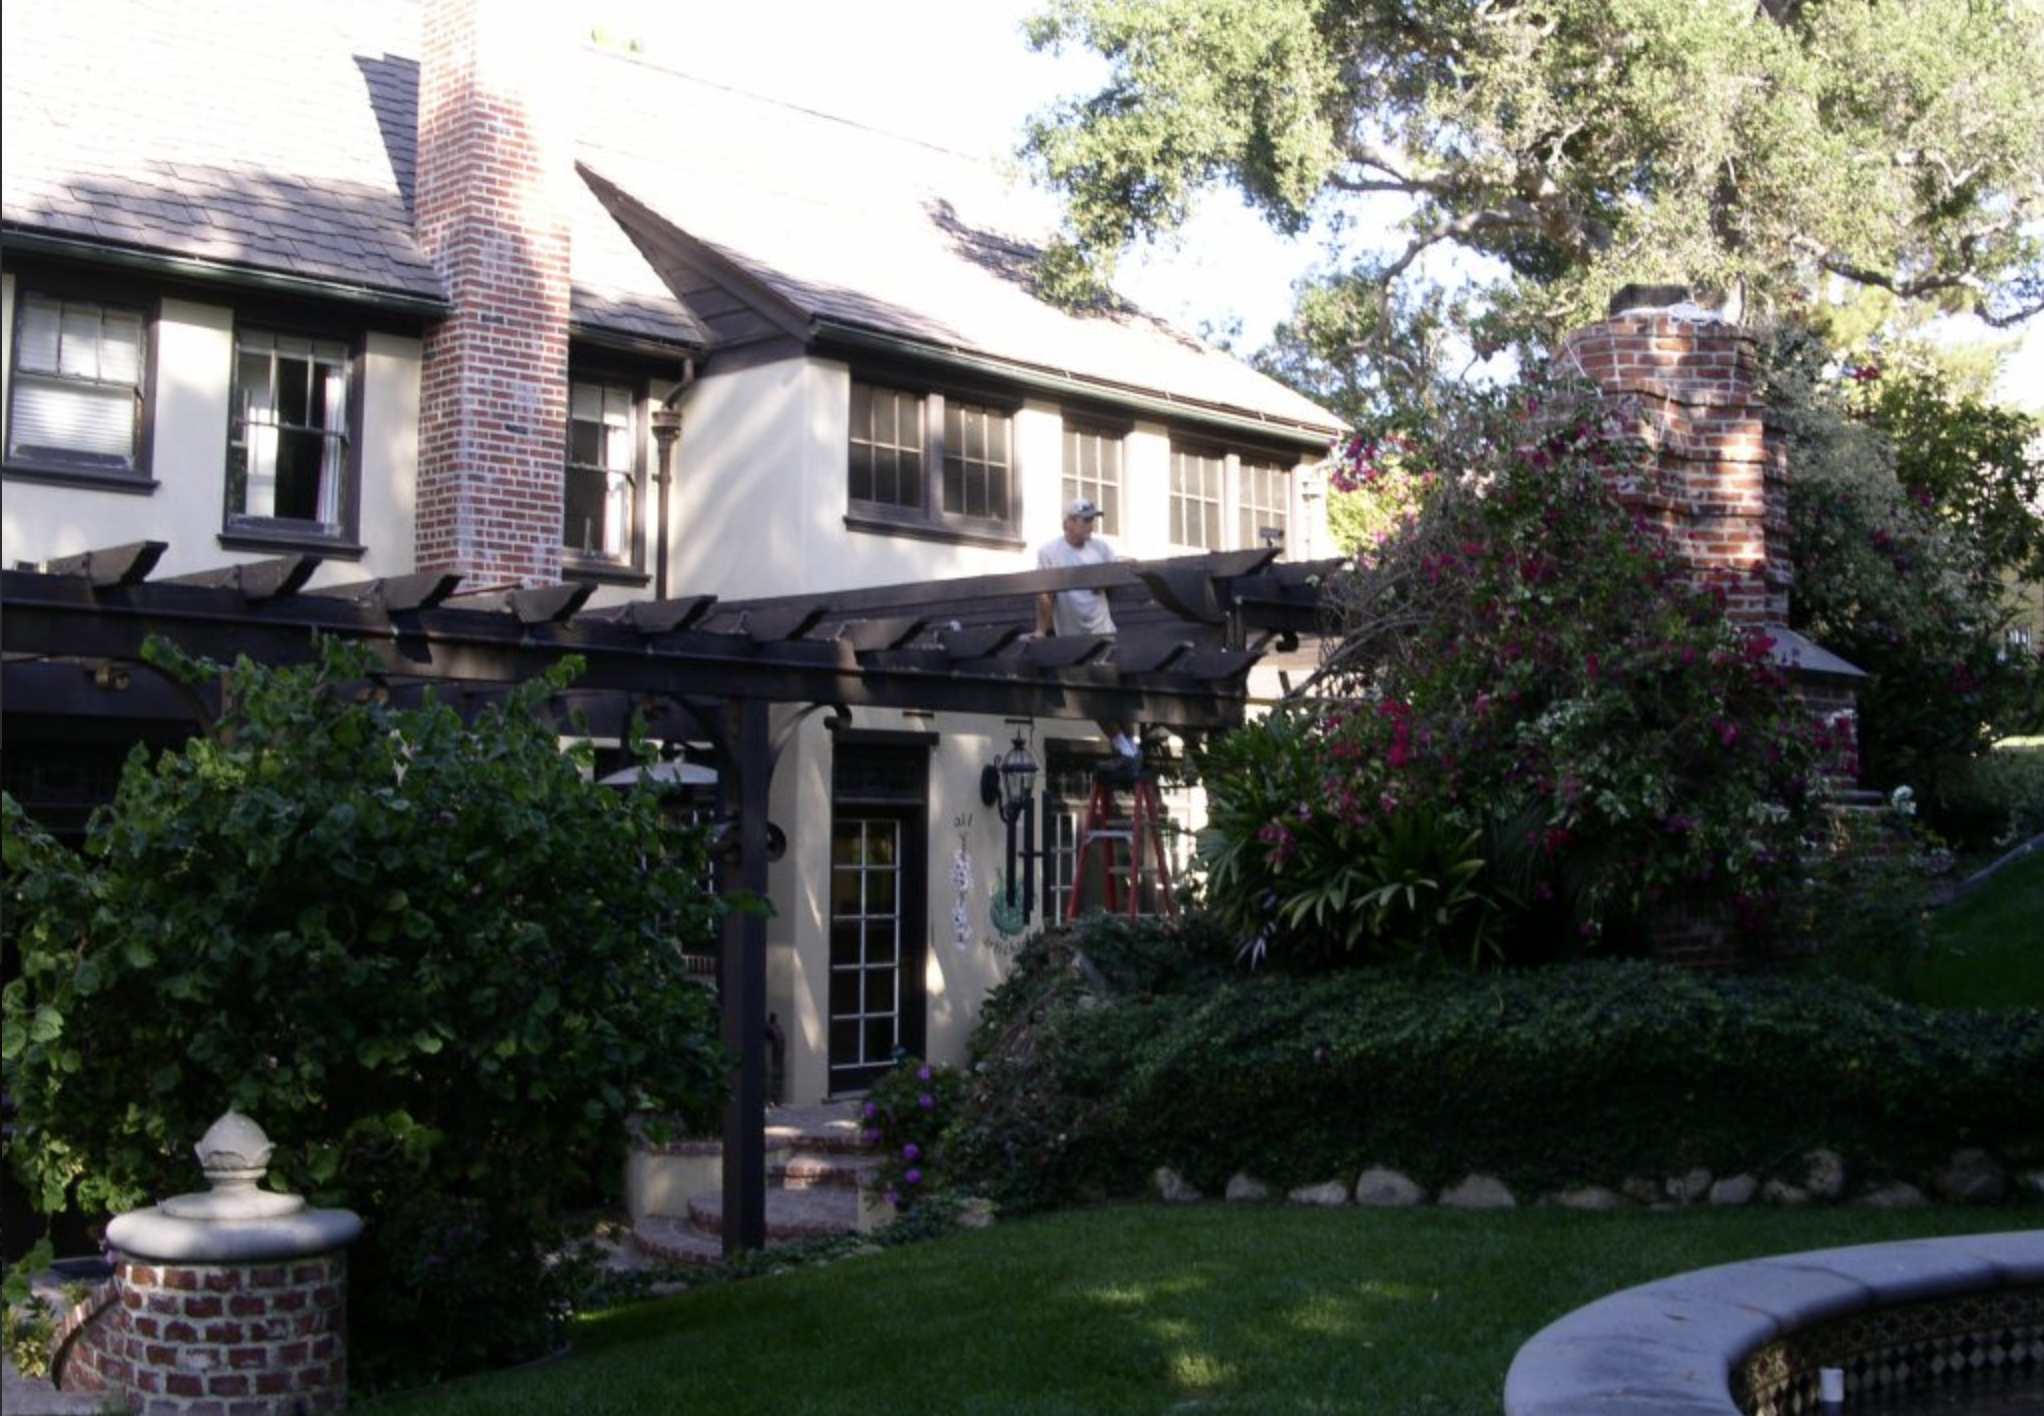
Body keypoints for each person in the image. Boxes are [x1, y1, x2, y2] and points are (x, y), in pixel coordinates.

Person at [1037, 498, 1142, 777]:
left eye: (1092, 519)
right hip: (1073, 639)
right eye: (1084, 519)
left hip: (1104, 631)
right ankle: (1126, 749)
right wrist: (1040, 631)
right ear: (1068, 522)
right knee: (1088, 696)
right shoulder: (1050, 552)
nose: (1090, 525)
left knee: (1117, 691)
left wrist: (1133, 566)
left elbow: (1116, 572)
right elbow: (1045, 593)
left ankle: (1129, 749)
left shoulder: (1102, 548)